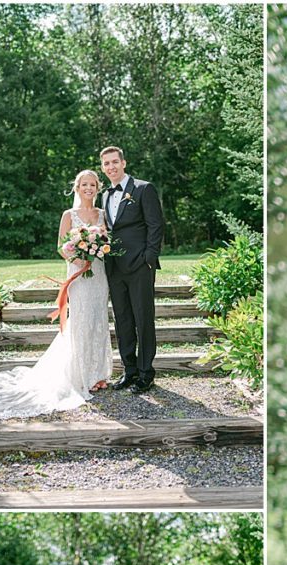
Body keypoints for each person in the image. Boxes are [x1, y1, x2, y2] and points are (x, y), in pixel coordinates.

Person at [0, 170, 112, 419]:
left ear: (98, 187)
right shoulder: (68, 215)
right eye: (84, 184)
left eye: (92, 184)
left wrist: (95, 250)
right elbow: (61, 247)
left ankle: (96, 375)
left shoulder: (101, 214)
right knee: (81, 320)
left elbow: (106, 242)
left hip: (98, 275)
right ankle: (79, 376)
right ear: (77, 188)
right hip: (78, 275)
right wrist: (79, 255)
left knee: (97, 320)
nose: (88, 188)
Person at [99, 146, 164, 393]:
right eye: (106, 163)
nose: (111, 167)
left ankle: (146, 374)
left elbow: (156, 225)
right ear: (103, 167)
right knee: (123, 320)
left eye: (115, 162)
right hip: (114, 267)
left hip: (140, 266)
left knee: (143, 319)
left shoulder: (143, 188)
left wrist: (149, 258)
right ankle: (130, 371)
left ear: (124, 163)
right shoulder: (105, 195)